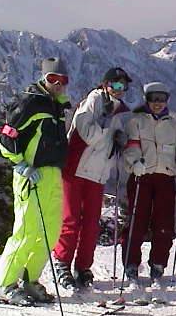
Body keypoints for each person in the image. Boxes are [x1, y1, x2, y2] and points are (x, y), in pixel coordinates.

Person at [0, 57, 70, 306]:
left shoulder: (57, 107)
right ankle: (3, 284)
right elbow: (5, 139)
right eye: (52, 79)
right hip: (31, 176)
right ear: (43, 79)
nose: (57, 84)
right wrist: (20, 164)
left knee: (50, 232)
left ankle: (29, 279)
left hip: (52, 175)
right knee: (26, 231)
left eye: (62, 80)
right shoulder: (30, 103)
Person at [52, 67, 131, 290]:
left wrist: (120, 139)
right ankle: (62, 263)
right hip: (76, 169)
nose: (120, 89)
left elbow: (110, 141)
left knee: (91, 223)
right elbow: (86, 132)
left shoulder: (118, 110)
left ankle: (83, 266)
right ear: (105, 84)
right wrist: (108, 129)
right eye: (115, 84)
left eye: (124, 86)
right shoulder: (94, 100)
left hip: (97, 173)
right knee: (71, 220)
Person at [121, 82, 176, 289]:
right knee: (137, 221)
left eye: (162, 99)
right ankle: (131, 264)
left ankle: (158, 264)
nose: (158, 103)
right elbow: (131, 146)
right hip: (142, 176)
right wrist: (135, 162)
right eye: (153, 99)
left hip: (165, 177)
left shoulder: (173, 124)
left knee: (164, 223)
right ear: (146, 99)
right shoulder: (137, 121)